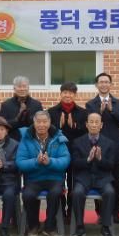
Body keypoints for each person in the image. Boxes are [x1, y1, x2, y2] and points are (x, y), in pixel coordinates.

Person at [16, 111, 70, 236]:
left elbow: (66, 160)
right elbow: (20, 162)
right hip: (33, 178)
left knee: (55, 193)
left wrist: (50, 162)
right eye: (38, 122)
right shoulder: (26, 138)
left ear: (49, 123)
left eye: (44, 122)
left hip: (54, 178)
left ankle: (50, 226)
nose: (41, 125)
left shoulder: (58, 137)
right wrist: (36, 162)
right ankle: (33, 225)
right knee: (28, 195)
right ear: (34, 123)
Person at [85, 72, 119, 223]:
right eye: (101, 82)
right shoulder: (91, 104)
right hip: (97, 145)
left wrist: (111, 110)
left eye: (106, 82)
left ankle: (115, 212)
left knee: (115, 180)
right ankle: (100, 212)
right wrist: (100, 112)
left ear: (111, 84)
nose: (103, 84)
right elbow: (91, 121)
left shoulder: (118, 103)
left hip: (115, 145)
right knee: (98, 177)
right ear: (96, 85)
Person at [70, 113, 118, 236]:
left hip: (103, 177)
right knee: (77, 193)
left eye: (97, 122)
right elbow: (75, 163)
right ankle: (80, 226)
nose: (94, 125)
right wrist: (88, 159)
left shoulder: (109, 143)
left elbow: (111, 165)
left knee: (109, 192)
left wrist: (100, 159)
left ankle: (105, 227)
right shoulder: (77, 142)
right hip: (84, 177)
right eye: (91, 122)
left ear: (101, 125)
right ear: (86, 124)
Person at [47, 81, 87, 217]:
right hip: (57, 154)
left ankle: (71, 211)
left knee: (73, 183)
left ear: (75, 95)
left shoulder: (83, 112)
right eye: (65, 92)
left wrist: (74, 125)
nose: (67, 95)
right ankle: (60, 212)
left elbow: (85, 133)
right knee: (58, 183)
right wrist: (58, 126)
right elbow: (47, 132)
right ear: (60, 94)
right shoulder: (51, 112)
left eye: (70, 93)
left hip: (76, 153)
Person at [0, 75, 43, 141]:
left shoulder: (37, 104)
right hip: (12, 141)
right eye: (19, 86)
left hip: (32, 140)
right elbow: (3, 125)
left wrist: (27, 116)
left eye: (24, 86)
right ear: (14, 88)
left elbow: (40, 124)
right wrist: (17, 118)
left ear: (28, 88)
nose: (22, 89)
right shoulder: (6, 105)